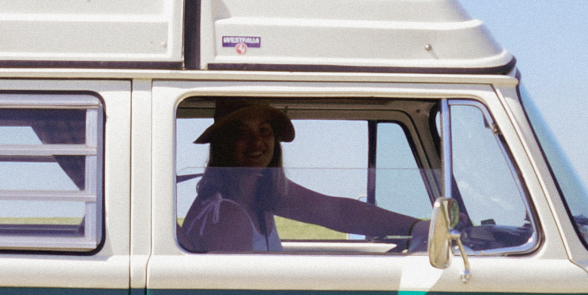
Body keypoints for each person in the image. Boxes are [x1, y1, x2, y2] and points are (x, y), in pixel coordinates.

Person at [177, 100, 422, 253]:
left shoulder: (260, 194)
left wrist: (418, 227)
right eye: (243, 133)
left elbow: (336, 211)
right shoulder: (228, 216)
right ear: (224, 144)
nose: (257, 142)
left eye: (264, 130)